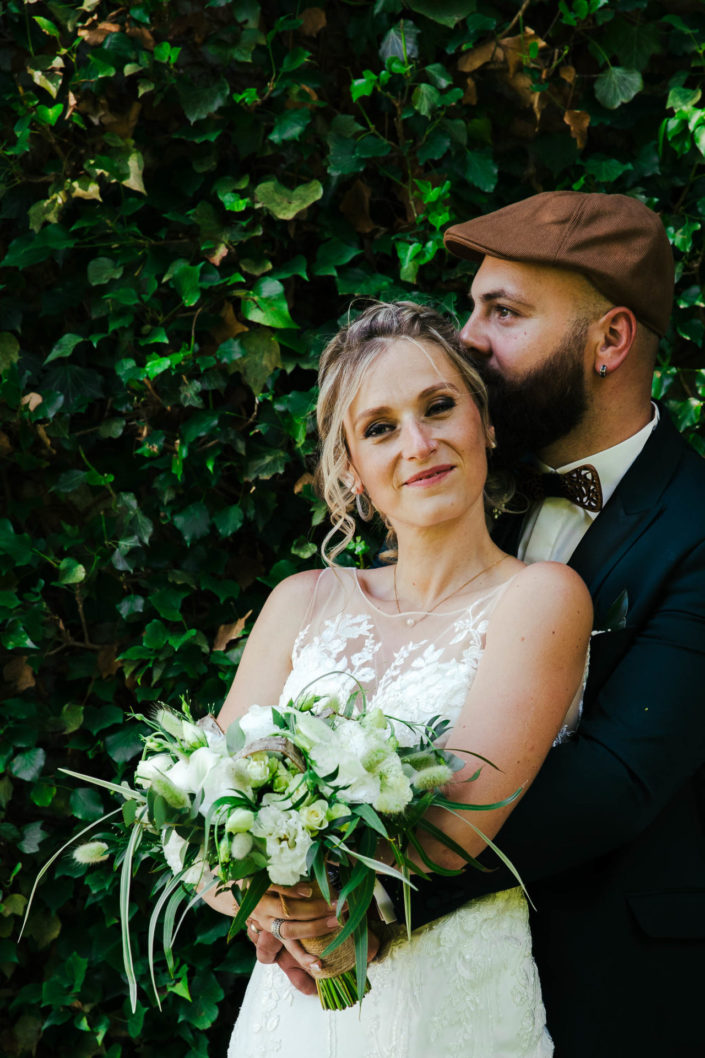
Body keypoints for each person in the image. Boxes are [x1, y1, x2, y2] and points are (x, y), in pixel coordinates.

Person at [256, 192, 705, 1057]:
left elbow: (614, 781)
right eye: (470, 307)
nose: (467, 339)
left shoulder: (695, 528)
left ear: (610, 341)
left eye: (503, 312)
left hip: (615, 984)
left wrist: (358, 893)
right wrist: (277, 889)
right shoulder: (453, 484)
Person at [208, 300, 593, 1057]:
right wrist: (270, 907)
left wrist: (332, 911)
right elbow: (202, 819)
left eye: (439, 407)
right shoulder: (300, 601)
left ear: (484, 424)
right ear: (350, 466)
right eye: (380, 428)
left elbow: (458, 825)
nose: (418, 444)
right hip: (291, 1015)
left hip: (448, 1009)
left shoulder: (541, 598)